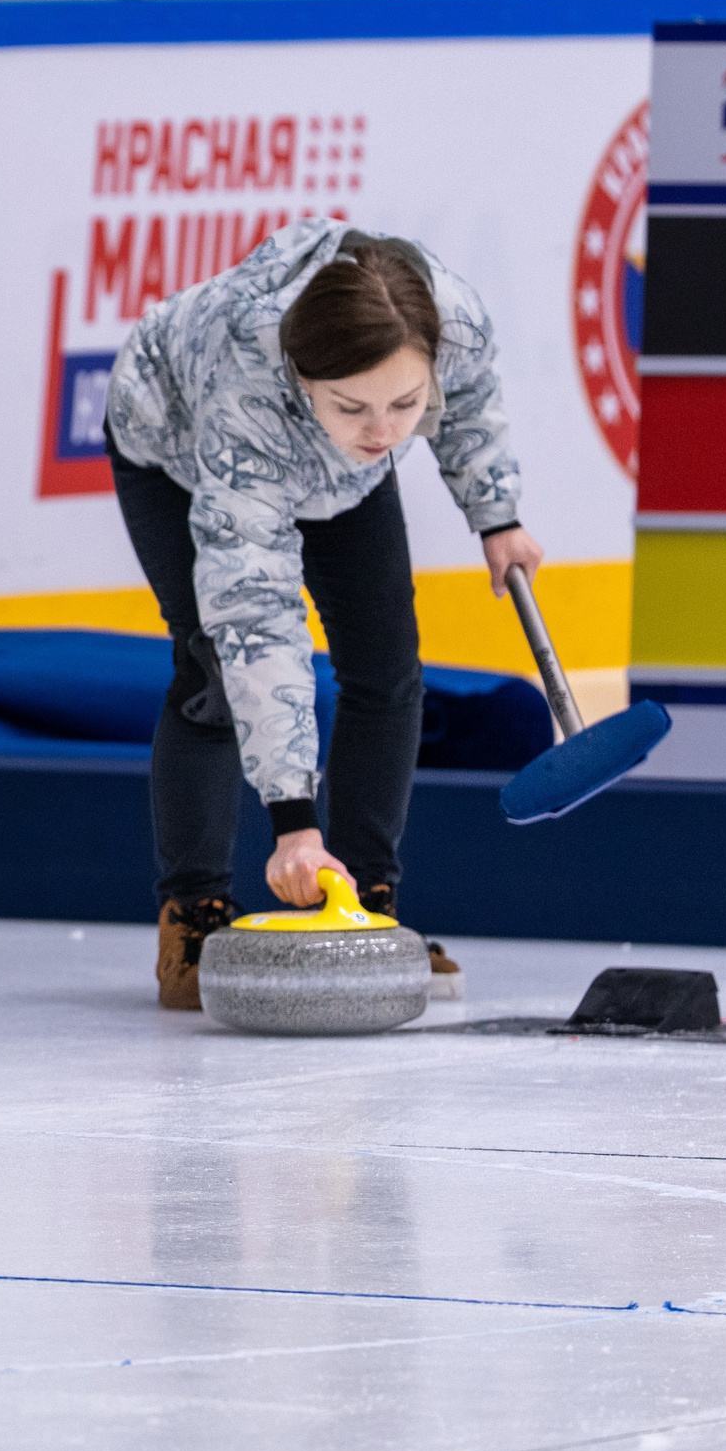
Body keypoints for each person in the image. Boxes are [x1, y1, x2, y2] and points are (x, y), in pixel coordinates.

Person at [104, 221, 543, 1010]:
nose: (384, 432)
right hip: (173, 447)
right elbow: (258, 616)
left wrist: (497, 514)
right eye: (354, 405)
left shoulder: (452, 317)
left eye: (406, 403)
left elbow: (470, 402)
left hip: (340, 482)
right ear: (304, 378)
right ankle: (195, 915)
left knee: (387, 667)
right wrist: (294, 822)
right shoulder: (245, 385)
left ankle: (366, 901)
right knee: (212, 661)